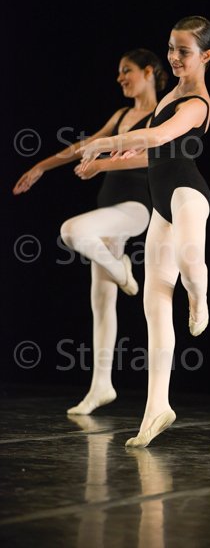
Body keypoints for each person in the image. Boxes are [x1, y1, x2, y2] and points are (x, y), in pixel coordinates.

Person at [78, 16, 210, 447]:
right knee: (155, 303)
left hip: (188, 194)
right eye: (171, 48)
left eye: (184, 51)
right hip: (160, 204)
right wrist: (128, 150)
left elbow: (160, 136)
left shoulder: (197, 103)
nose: (174, 57)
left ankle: (200, 298)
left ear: (205, 56)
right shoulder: (170, 94)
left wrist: (105, 145)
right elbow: (152, 147)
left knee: (190, 266)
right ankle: (157, 407)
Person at [13, 49, 168, 415]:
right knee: (101, 302)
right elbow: (84, 146)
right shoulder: (121, 116)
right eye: (119, 72)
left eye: (126, 70)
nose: (120, 78)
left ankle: (124, 273)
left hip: (135, 209)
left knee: (72, 230)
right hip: (108, 211)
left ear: (148, 72)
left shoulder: (161, 116)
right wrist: (42, 166)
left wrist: (102, 165)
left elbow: (158, 156)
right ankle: (101, 386)